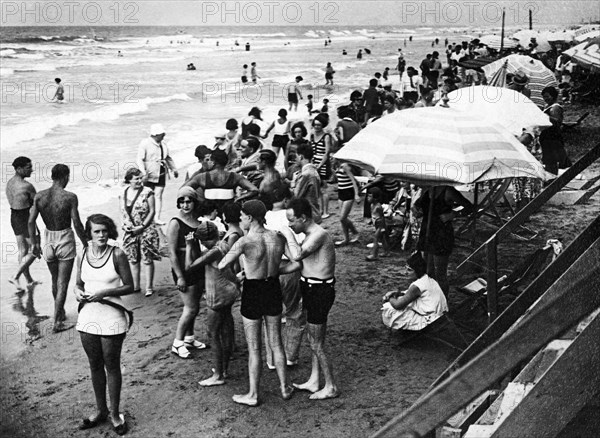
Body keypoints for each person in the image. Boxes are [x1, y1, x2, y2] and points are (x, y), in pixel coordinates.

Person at [218, 200, 294, 406]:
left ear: (250, 217)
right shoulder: (276, 237)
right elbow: (296, 262)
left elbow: (222, 265)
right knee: (276, 343)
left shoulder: (245, 241)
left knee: (254, 348)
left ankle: (253, 394)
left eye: (242, 216)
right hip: (272, 288)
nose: (240, 219)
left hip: (253, 290)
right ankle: (285, 387)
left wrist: (236, 279)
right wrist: (278, 270)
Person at [74, 214, 136, 435]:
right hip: (88, 315)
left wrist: (105, 292)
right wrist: (78, 293)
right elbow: (78, 284)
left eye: (104, 231)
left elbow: (130, 286)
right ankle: (101, 411)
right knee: (94, 364)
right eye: (96, 231)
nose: (101, 235)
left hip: (112, 315)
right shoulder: (82, 253)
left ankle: (115, 413)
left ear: (109, 231)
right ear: (88, 234)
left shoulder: (117, 254)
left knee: (112, 365)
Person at [281, 197, 339, 400]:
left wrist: (286, 234)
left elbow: (297, 256)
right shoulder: (309, 234)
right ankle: (315, 380)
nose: (290, 224)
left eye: (291, 221)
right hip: (310, 287)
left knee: (316, 343)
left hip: (319, 291)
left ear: (303, 218)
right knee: (313, 339)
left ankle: (330, 386)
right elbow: (298, 265)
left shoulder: (318, 234)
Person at [28, 163, 87, 332]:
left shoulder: (39, 196)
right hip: (64, 239)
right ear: (65, 177)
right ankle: (57, 322)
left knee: (55, 280)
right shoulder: (70, 197)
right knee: (63, 282)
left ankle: (60, 313)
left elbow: (31, 221)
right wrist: (85, 243)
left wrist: (35, 244)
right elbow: (76, 223)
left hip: (48, 239)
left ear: (52, 177)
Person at [185, 221, 239, 387]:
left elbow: (190, 266)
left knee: (213, 333)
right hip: (229, 290)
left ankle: (218, 374)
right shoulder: (222, 243)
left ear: (204, 240)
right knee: (227, 328)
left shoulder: (213, 251)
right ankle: (225, 368)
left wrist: (189, 246)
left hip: (217, 294)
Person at [167, 187, 208, 359]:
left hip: (197, 265)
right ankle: (178, 342)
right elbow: (171, 252)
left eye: (188, 201)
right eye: (182, 201)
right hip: (183, 268)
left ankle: (189, 338)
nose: (185, 204)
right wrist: (180, 277)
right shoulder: (176, 222)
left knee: (195, 305)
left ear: (194, 202)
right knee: (190, 308)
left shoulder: (198, 222)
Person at [413, 186, 473, 297]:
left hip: (441, 233)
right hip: (427, 231)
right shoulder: (427, 189)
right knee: (428, 271)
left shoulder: (448, 191)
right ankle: (432, 300)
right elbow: (418, 205)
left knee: (440, 273)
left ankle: (443, 304)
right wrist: (417, 210)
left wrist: (453, 214)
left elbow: (469, 207)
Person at [119, 168, 161, 297]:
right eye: (136, 178)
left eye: (140, 178)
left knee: (147, 258)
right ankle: (136, 286)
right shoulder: (123, 193)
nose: (139, 181)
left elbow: (152, 211)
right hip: (131, 231)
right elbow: (122, 212)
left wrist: (142, 226)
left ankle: (149, 287)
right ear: (129, 180)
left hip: (146, 229)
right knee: (133, 259)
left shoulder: (148, 192)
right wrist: (124, 225)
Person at [381, 252, 448, 330]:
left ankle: (412, 331)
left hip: (432, 322)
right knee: (403, 302)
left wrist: (389, 298)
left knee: (389, 309)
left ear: (418, 271)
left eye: (409, 270)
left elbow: (397, 305)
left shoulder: (417, 286)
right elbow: (409, 294)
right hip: (440, 316)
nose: (405, 272)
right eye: (405, 268)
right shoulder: (428, 279)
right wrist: (396, 293)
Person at [185, 149, 258, 213]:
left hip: (209, 215)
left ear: (213, 161)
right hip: (229, 215)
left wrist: (197, 203)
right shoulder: (235, 177)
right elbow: (254, 190)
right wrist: (238, 199)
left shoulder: (201, 177)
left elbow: (184, 190)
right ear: (226, 162)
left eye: (209, 160)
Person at [6, 156, 40, 291]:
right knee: (35, 250)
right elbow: (37, 205)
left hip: (14, 217)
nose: (31, 170)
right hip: (25, 218)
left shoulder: (9, 183)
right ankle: (15, 276)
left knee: (23, 250)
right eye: (28, 167)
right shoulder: (27, 186)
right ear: (19, 169)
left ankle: (29, 280)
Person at [136, 123, 179, 225]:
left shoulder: (163, 145)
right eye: (161, 134)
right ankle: (145, 217)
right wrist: (143, 172)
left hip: (161, 172)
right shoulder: (145, 143)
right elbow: (139, 159)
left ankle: (156, 217)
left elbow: (168, 158)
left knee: (158, 195)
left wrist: (174, 169)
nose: (163, 136)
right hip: (148, 174)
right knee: (146, 195)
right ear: (155, 134)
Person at [540, 86, 571, 176]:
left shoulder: (555, 108)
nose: (545, 99)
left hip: (552, 137)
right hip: (547, 136)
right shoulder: (548, 107)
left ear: (553, 96)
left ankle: (552, 178)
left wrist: (545, 116)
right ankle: (551, 177)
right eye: (544, 97)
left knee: (552, 159)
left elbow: (557, 122)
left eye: (547, 96)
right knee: (549, 159)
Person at [310, 113, 333, 219]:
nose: (316, 127)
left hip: (323, 164)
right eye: (315, 125)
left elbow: (327, 153)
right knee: (316, 189)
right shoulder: (311, 135)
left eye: (319, 125)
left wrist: (320, 165)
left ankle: (325, 211)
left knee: (323, 188)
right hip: (314, 162)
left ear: (323, 125)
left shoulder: (326, 136)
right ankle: (319, 210)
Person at [333, 159, 361, 246]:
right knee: (342, 219)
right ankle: (346, 239)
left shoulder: (345, 166)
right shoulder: (336, 166)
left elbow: (353, 181)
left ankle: (355, 232)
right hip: (341, 192)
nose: (331, 158)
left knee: (342, 217)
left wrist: (356, 194)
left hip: (348, 192)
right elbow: (335, 179)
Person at [366, 187, 390, 260]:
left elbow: (382, 217)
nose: (368, 198)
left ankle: (374, 255)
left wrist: (382, 228)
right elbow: (374, 215)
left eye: (370, 196)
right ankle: (387, 252)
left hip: (380, 225)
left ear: (375, 198)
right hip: (376, 224)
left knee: (375, 238)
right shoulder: (372, 205)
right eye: (368, 196)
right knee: (382, 239)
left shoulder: (378, 207)